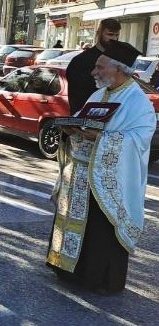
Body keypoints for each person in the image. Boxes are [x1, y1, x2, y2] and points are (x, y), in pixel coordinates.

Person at [48, 40, 155, 293]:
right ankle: (69, 270)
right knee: (79, 222)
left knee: (101, 229)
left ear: (119, 69)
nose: (94, 72)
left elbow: (140, 139)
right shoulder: (99, 94)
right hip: (81, 173)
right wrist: (69, 128)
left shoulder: (137, 101)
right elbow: (82, 120)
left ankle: (98, 279)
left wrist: (102, 139)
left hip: (108, 179)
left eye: (100, 67)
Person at [66, 19, 121, 114]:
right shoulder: (80, 61)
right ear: (99, 33)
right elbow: (78, 93)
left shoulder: (118, 59)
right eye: (110, 34)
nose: (114, 39)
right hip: (85, 116)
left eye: (117, 35)